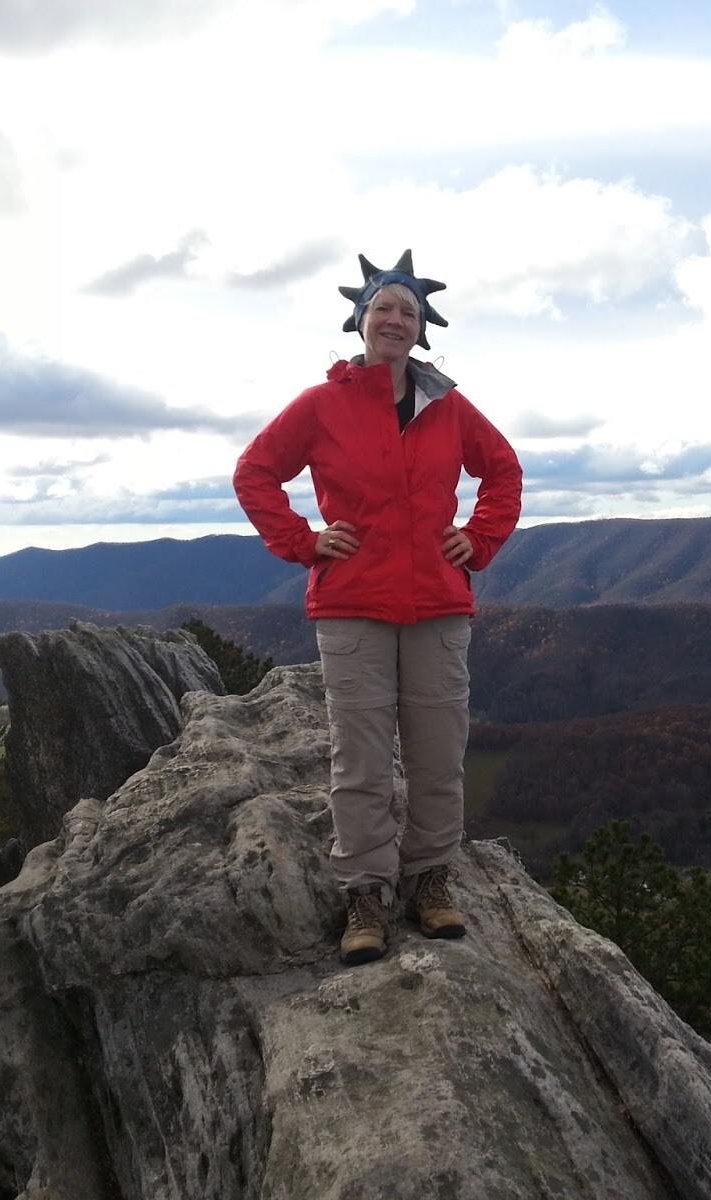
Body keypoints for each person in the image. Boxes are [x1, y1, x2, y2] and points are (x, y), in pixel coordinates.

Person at [233, 250, 523, 965]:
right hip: (353, 603)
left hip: (436, 603)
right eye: (383, 308)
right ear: (360, 321)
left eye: (408, 312)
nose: (395, 320)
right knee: (360, 759)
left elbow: (504, 470)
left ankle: (429, 880)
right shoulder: (322, 404)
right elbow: (256, 472)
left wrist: (478, 538)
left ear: (422, 330)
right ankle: (365, 892)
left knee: (436, 754)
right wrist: (303, 541)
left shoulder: (447, 405)